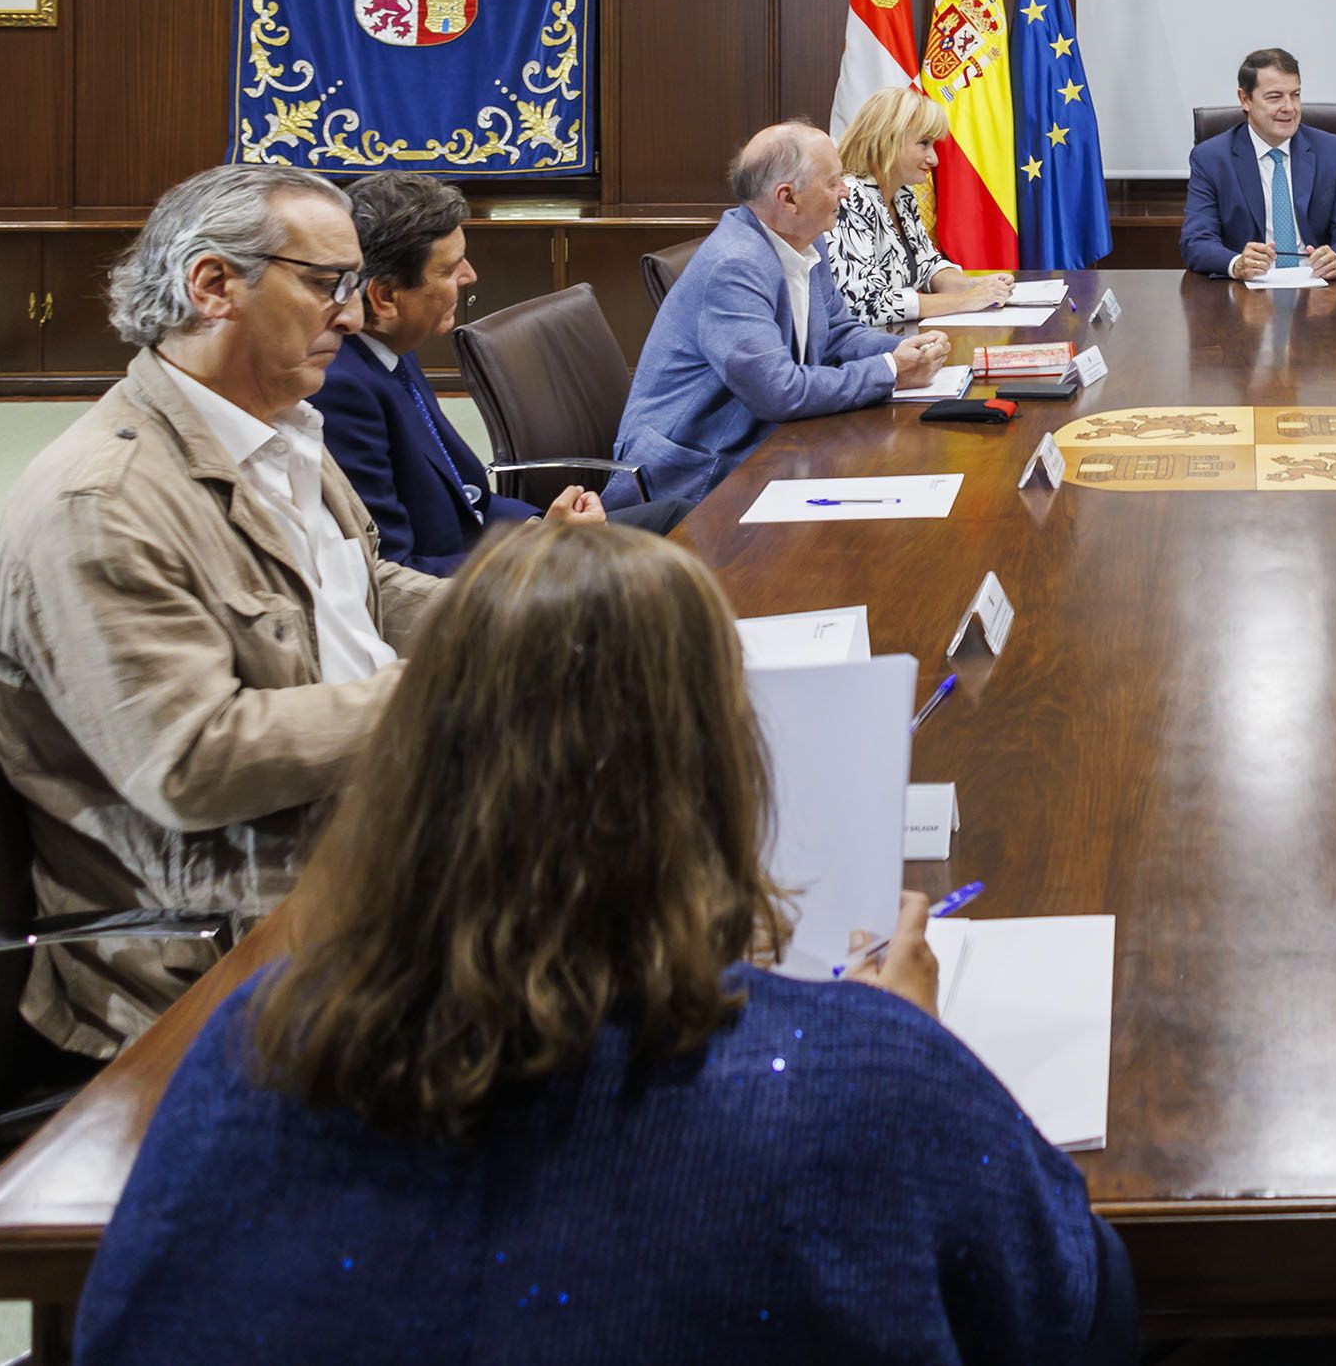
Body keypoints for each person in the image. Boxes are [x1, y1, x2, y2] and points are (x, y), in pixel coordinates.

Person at [72, 523, 1136, 1366]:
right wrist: (905, 1046)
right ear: (720, 775)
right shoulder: (862, 1078)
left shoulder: (249, 1048)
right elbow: (1083, 1311)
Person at [0, 164, 443, 1057]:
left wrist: (522, 620)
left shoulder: (277, 430)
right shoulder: (103, 501)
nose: (350, 314)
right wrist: (455, 685)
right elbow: (193, 761)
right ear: (211, 285)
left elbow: (365, 589)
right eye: (324, 283)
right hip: (238, 941)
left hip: (359, 838)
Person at [314, 172, 656, 577]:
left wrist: (538, 527)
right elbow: (394, 573)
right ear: (386, 297)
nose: (470, 276)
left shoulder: (392, 345)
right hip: (473, 595)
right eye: (449, 268)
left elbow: (467, 493)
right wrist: (541, 549)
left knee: (677, 520)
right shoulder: (339, 390)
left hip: (499, 547)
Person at [616, 122, 952, 507]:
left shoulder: (808, 240)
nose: (845, 191)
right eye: (833, 182)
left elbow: (838, 333)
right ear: (788, 199)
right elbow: (778, 392)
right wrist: (890, 371)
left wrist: (906, 347)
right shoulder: (735, 266)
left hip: (765, 444)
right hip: (694, 473)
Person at [828, 83, 1014, 322]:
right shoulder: (848, 199)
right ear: (887, 141)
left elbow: (928, 267)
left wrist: (978, 285)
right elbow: (866, 304)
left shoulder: (902, 194)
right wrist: (967, 300)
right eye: (924, 143)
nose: (934, 159)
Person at [1180, 47, 1336, 282]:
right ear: (1245, 99)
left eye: (1295, 95)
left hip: (1318, 288)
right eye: (1275, 97)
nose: (1289, 107)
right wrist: (1237, 264)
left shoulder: (1330, 150)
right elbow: (1196, 241)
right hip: (1246, 292)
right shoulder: (1211, 158)